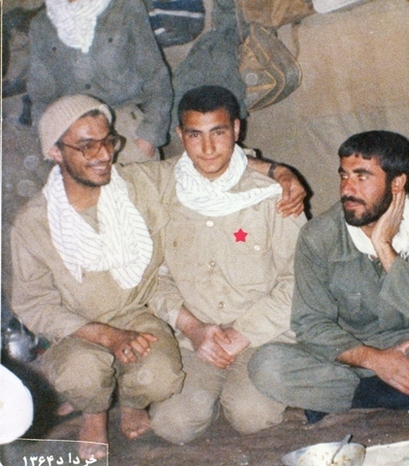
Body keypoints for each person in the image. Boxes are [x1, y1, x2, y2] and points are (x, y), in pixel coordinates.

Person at [249, 131, 409, 420]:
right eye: (344, 176)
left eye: (362, 177)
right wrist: (375, 360)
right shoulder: (319, 235)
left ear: (397, 183)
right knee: (266, 366)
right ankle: (392, 393)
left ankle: (358, 397)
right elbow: (310, 324)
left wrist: (384, 246)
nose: (347, 189)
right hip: (349, 358)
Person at [9, 95, 185, 460]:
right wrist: (106, 335)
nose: (104, 154)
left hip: (136, 313)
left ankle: (133, 402)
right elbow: (33, 304)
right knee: (81, 375)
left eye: (108, 141)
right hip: (77, 327)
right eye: (87, 145)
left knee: (161, 376)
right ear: (55, 152)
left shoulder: (137, 185)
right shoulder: (34, 222)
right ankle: (94, 413)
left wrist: (276, 173)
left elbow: (202, 166)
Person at [148, 85, 307, 444]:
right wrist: (192, 328)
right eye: (195, 135)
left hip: (261, 334)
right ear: (180, 135)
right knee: (173, 424)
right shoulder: (162, 193)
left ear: (237, 129)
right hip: (197, 338)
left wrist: (245, 333)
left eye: (218, 132)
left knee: (252, 416)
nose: (207, 148)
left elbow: (300, 278)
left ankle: (241, 390)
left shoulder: (273, 193)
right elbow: (152, 278)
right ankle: (210, 393)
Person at [27, 0, 172, 163]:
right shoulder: (41, 24)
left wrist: (149, 136)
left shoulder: (125, 7)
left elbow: (156, 76)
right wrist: (48, 140)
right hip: (74, 138)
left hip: (125, 131)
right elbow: (41, 95)